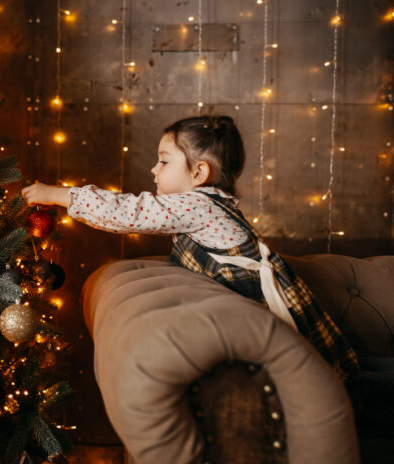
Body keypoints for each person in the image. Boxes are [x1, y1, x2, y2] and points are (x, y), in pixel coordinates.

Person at [21, 114, 360, 386]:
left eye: (164, 162)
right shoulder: (210, 203)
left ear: (199, 173)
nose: (154, 170)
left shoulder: (197, 206)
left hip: (262, 314)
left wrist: (56, 194)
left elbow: (128, 212)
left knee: (316, 381)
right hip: (250, 317)